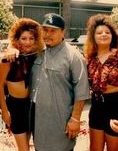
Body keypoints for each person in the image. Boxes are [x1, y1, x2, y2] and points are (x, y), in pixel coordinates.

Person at [6, 13, 90, 151]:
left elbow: (81, 90)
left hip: (60, 120)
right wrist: (11, 48)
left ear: (62, 32)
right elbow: (19, 46)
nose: (48, 34)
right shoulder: (38, 51)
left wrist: (75, 119)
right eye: (45, 30)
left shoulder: (73, 56)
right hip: (38, 119)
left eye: (53, 30)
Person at [84, 14, 118, 151]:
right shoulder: (89, 58)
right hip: (96, 107)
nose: (103, 35)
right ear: (93, 37)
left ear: (112, 35)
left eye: (107, 32)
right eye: (99, 33)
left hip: (116, 107)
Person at [0, 18, 44, 151]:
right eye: (23, 38)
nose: (28, 42)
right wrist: (4, 111)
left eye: (31, 38)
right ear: (17, 39)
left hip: (34, 106)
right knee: (23, 149)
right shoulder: (8, 59)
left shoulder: (37, 57)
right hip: (16, 107)